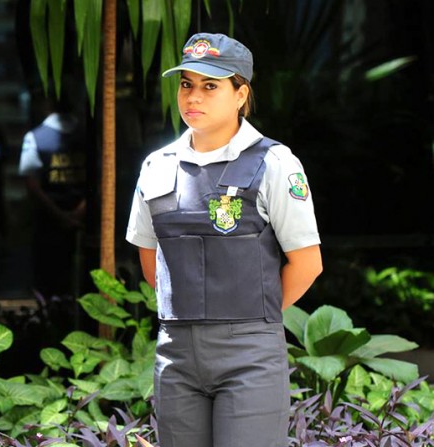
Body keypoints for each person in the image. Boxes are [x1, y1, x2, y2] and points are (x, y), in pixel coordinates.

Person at [126, 32, 323, 446]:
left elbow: (307, 264)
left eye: (210, 86)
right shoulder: (156, 167)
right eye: (186, 84)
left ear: (240, 94)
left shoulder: (275, 164)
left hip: (250, 355)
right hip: (176, 354)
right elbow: (151, 260)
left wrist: (245, 316)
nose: (193, 97)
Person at [18, 91, 87, 299]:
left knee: (49, 280)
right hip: (83, 220)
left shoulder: (35, 137)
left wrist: (59, 214)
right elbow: (100, 176)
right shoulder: (86, 135)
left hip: (49, 220)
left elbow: (31, 183)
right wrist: (80, 210)